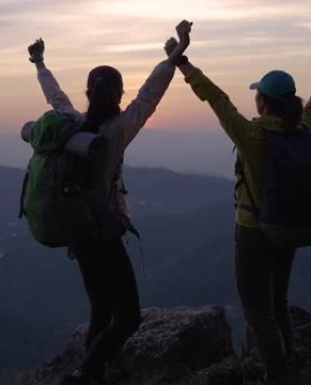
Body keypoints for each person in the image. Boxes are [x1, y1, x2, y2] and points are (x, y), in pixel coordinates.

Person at [165, 37, 311, 384]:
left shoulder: (252, 136)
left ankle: (277, 376)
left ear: (262, 102)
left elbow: (217, 98)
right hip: (289, 229)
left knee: (259, 313)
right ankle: (284, 367)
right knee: (278, 303)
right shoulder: (302, 130)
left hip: (253, 231)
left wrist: (182, 63)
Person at [27, 20, 193, 385]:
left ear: (88, 92)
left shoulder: (72, 123)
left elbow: (55, 98)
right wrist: (178, 52)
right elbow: (150, 95)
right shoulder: (116, 132)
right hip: (103, 234)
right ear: (118, 94)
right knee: (129, 317)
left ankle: (97, 372)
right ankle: (88, 373)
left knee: (100, 308)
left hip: (78, 233)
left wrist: (39, 63)